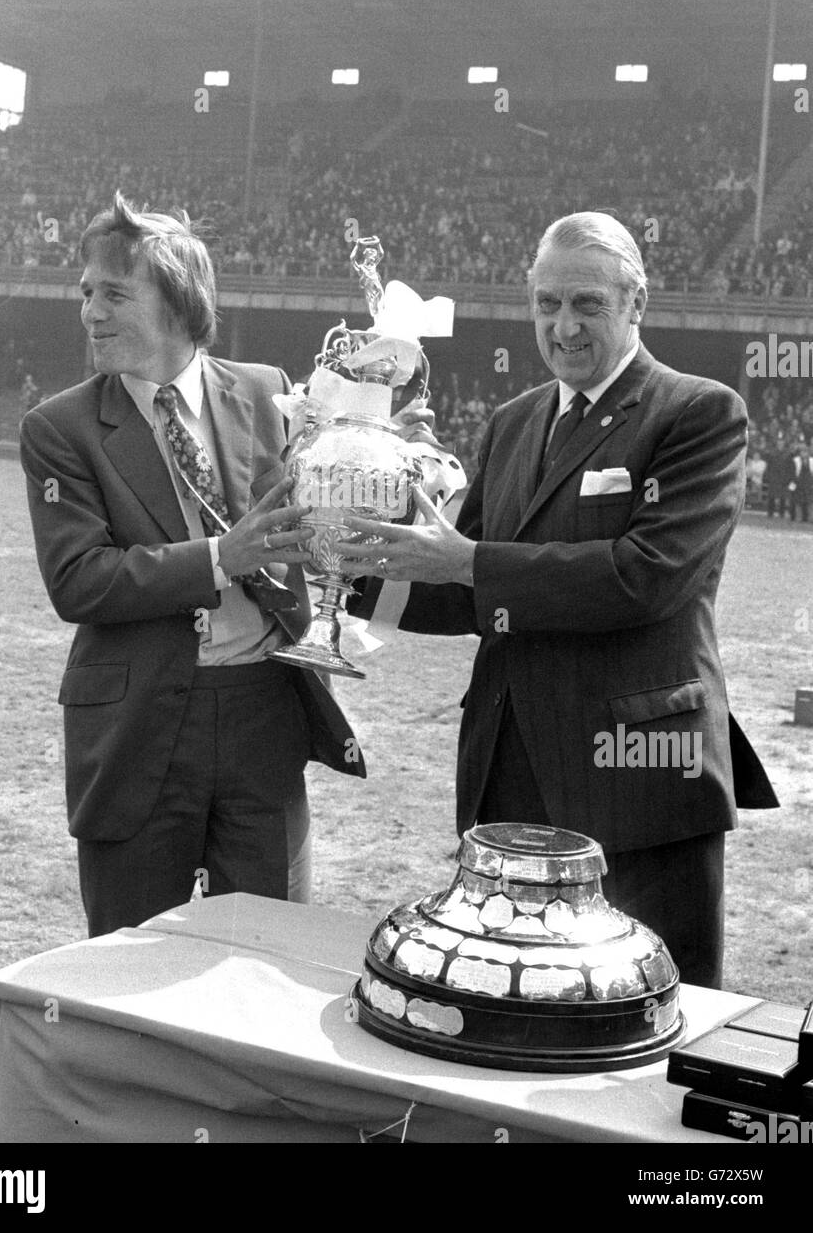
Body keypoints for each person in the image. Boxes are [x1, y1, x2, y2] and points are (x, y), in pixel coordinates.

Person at [340, 211, 777, 989]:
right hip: (508, 763)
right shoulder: (513, 423)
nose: (563, 326)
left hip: (638, 772)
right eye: (546, 305)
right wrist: (345, 572)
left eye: (586, 305)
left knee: (650, 1009)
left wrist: (469, 561)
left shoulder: (698, 412)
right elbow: (464, 587)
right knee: (513, 990)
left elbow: (646, 576)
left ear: (634, 302)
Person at [19, 191, 367, 937]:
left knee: (269, 953)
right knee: (130, 959)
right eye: (86, 293)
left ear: (179, 303)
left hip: (261, 717)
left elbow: (313, 523)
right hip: (137, 724)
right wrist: (220, 557)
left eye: (114, 293)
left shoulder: (267, 391)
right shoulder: (59, 429)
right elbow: (79, 580)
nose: (89, 312)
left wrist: (370, 459)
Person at [764, 436, 793, 519]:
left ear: (784, 444)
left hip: (784, 479)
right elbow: (768, 466)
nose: (780, 444)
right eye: (779, 443)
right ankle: (770, 512)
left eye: (782, 443)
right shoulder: (772, 453)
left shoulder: (788, 454)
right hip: (774, 478)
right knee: (771, 496)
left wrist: (788, 478)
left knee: (783, 497)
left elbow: (790, 467)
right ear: (777, 444)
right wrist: (768, 476)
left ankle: (782, 513)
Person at [789, 442, 813, 522]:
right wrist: (793, 484)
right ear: (800, 453)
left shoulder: (812, 461)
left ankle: (811, 518)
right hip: (798, 484)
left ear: (808, 453)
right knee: (798, 503)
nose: (804, 454)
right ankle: (798, 518)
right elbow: (792, 473)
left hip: (809, 484)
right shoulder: (795, 461)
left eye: (806, 452)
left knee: (810, 502)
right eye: (802, 452)